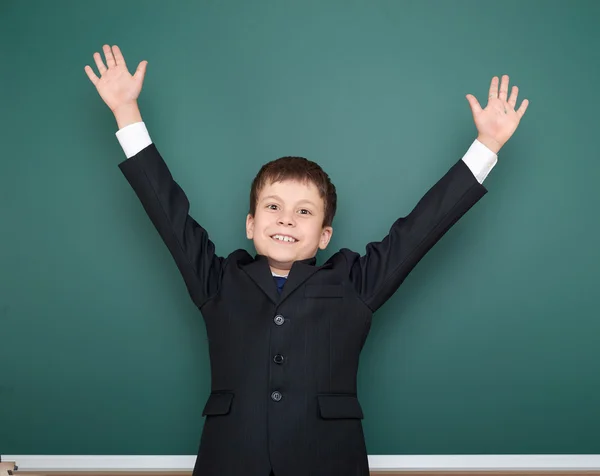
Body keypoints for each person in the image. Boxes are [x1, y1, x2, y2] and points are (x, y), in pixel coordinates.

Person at [85, 44, 528, 476]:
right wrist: (127, 112)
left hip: (329, 459)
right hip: (230, 459)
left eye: (304, 212)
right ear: (251, 224)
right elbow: (166, 209)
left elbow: (421, 229)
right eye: (273, 207)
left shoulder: (355, 282)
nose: (287, 220)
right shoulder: (217, 280)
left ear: (324, 236)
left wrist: (486, 144)